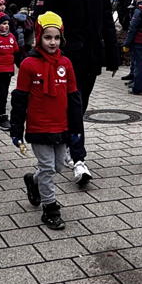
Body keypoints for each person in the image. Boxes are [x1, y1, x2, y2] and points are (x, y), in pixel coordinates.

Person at [34, 0, 120, 187]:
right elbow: (40, 22)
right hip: (65, 59)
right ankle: (78, 157)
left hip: (91, 57)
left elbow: (106, 16)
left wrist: (112, 51)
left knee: (78, 108)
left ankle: (67, 145)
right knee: (72, 105)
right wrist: (42, 56)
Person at [9, 12, 84, 230]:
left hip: (61, 125)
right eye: (48, 37)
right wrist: (16, 130)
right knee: (48, 168)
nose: (52, 42)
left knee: (59, 166)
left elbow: (74, 97)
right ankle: (50, 209)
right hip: (39, 126)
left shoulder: (66, 63)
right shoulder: (28, 64)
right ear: (39, 37)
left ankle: (34, 180)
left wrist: (76, 128)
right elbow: (20, 99)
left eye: (57, 38)